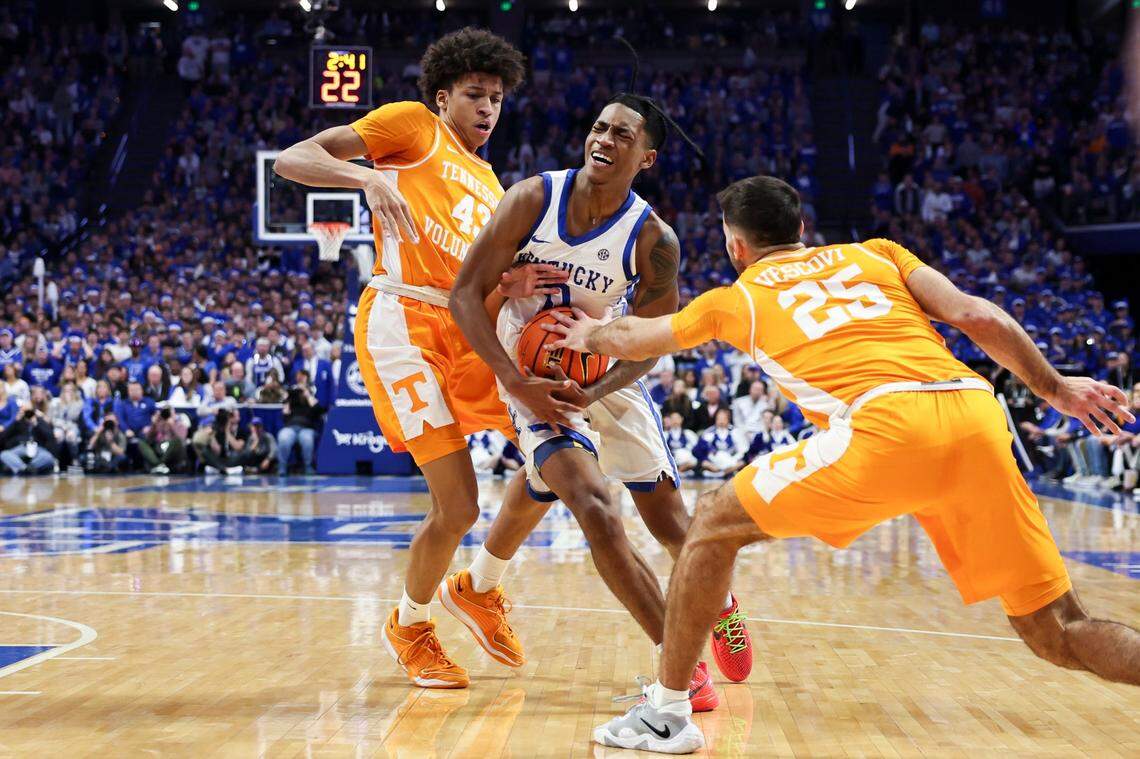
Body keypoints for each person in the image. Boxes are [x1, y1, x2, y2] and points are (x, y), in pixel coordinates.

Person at [545, 176, 1140, 752]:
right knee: (1057, 630)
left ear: (735, 246)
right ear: (802, 228)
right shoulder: (879, 253)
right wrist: (1054, 387)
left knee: (710, 526)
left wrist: (589, 333)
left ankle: (667, 714)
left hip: (886, 424)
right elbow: (974, 315)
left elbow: (636, 338)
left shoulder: (738, 298)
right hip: (973, 413)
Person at [274, 27, 566, 688]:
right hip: (403, 319)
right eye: (474, 95)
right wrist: (360, 177)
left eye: (496, 97)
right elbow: (293, 159)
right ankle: (411, 624)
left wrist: (512, 284)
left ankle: (482, 585)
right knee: (458, 505)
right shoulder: (411, 128)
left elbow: (480, 281)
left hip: (467, 326)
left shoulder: (493, 184)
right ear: (442, 97)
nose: (488, 107)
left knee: (556, 457)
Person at [451, 94, 755, 703]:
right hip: (529, 372)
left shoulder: (653, 240)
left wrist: (595, 387)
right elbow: (464, 295)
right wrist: (515, 382)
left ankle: (718, 603)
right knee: (592, 503)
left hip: (603, 369)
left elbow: (651, 342)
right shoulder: (533, 199)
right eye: (599, 127)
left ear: (646, 158)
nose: (605, 139)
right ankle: (679, 665)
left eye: (622, 135)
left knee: (670, 525)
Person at [276, 380, 322, 476]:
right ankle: (282, 467)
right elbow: (285, 414)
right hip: (291, 427)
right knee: (283, 437)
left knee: (307, 439)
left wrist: (307, 394)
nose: (300, 392)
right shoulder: (292, 401)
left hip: (306, 428)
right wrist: (288, 398)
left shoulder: (311, 401)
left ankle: (308, 466)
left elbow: (318, 409)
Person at [0, 406, 58, 475]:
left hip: (38, 448)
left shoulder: (39, 421)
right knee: (4, 455)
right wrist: (15, 421)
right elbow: (3, 436)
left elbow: (50, 435)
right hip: (22, 447)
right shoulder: (18, 422)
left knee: (48, 457)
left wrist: (36, 423)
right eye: (24, 412)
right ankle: (25, 468)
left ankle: (28, 467)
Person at [192, 407, 245, 475]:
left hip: (231, 459)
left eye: (232, 416)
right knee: (204, 451)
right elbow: (217, 451)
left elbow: (238, 447)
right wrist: (211, 436)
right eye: (228, 416)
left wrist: (227, 431)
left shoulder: (241, 431)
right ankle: (222, 468)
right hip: (218, 459)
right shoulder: (217, 430)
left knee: (243, 454)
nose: (230, 418)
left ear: (238, 418)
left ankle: (220, 469)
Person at [139, 407, 188, 474]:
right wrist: (154, 424)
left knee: (177, 441)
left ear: (174, 414)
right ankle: (158, 464)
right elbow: (148, 438)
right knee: (141, 442)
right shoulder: (159, 424)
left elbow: (181, 440)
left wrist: (172, 425)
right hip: (159, 448)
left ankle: (160, 464)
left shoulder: (180, 425)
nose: (167, 416)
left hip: (173, 451)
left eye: (169, 413)